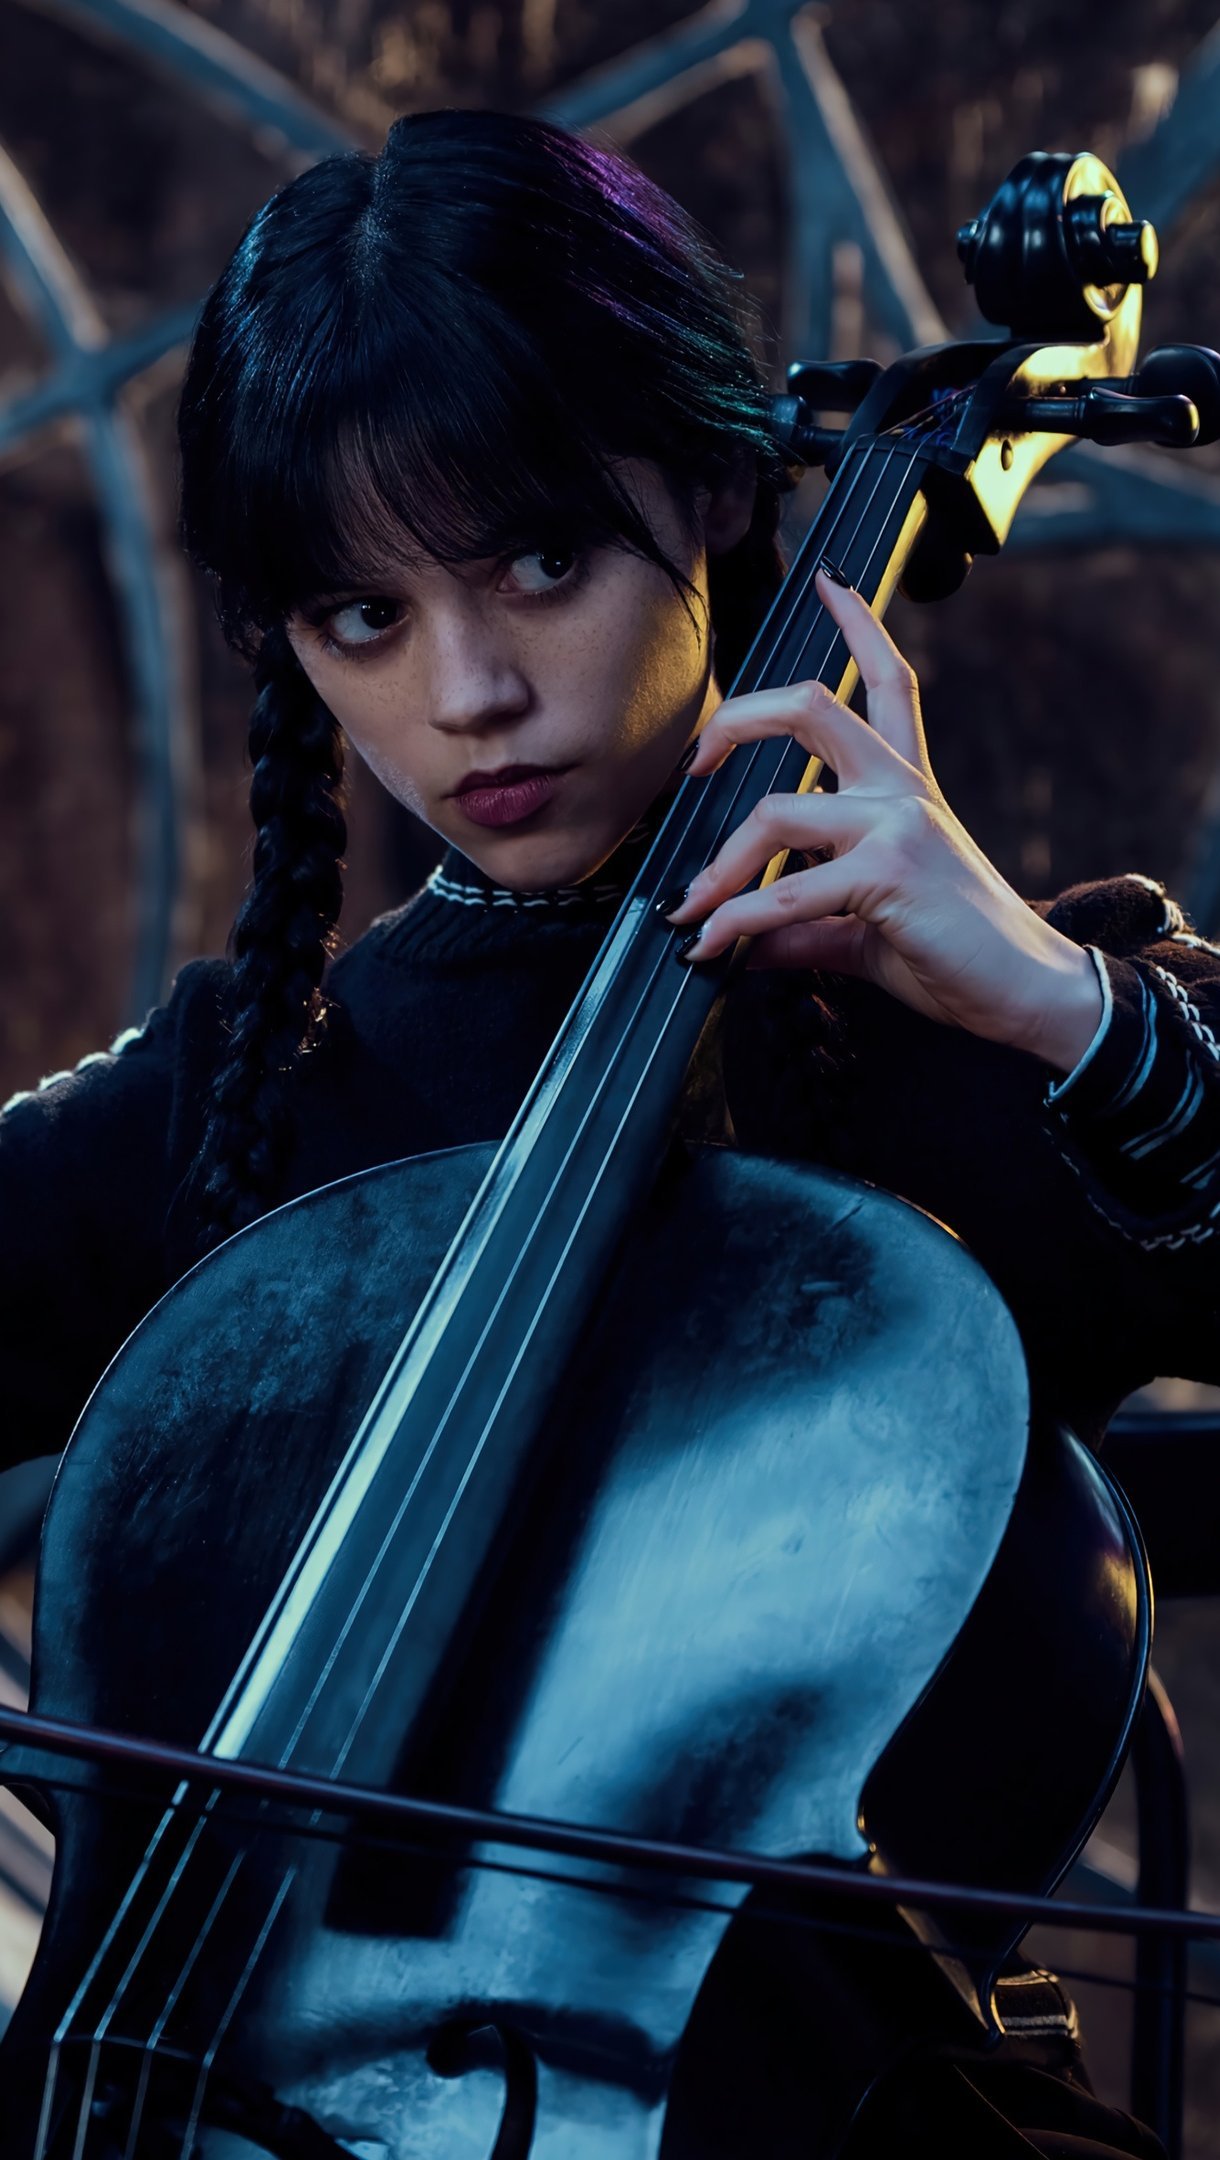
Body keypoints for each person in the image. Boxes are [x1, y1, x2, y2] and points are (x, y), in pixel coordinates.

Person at [3, 105, 1217, 2157]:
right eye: (360, 618)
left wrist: (1035, 990)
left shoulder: (972, 1048)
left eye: (540, 564)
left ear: (719, 489)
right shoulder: (250, 1094)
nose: (467, 692)